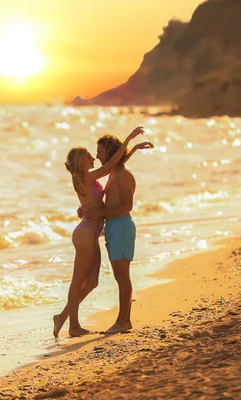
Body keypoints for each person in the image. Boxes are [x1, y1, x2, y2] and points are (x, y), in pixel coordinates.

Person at [54, 127, 149, 338]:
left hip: (95, 231)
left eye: (96, 154)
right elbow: (112, 163)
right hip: (88, 233)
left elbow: (114, 164)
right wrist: (130, 142)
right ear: (80, 162)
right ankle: (73, 325)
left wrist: (131, 147)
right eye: (90, 156)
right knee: (80, 280)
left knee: (95, 281)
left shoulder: (91, 177)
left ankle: (64, 317)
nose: (95, 158)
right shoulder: (88, 177)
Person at [84, 133, 150, 334]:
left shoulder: (123, 174)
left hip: (122, 226)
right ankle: (125, 321)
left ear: (111, 153)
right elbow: (117, 162)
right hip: (114, 227)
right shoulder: (114, 171)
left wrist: (101, 212)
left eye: (100, 152)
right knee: (119, 276)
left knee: (122, 276)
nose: (98, 157)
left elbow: (127, 205)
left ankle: (122, 321)